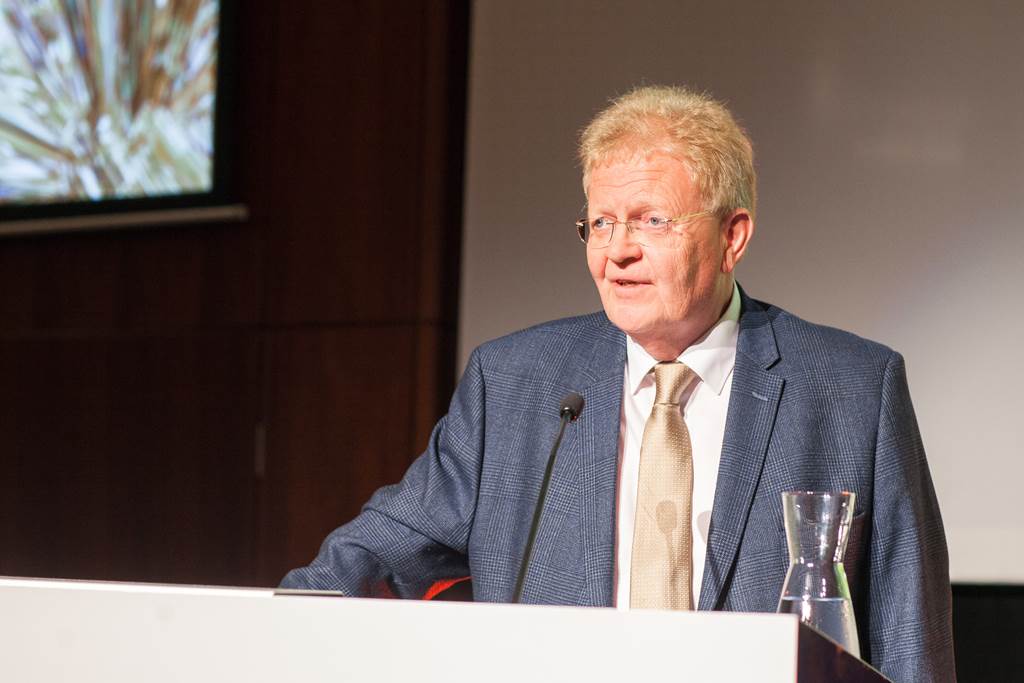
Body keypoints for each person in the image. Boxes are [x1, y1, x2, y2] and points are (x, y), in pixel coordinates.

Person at [282, 85, 954, 681]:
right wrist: (270, 632)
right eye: (601, 223)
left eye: (651, 220)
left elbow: (910, 642)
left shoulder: (851, 390)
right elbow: (377, 555)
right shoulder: (513, 384)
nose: (617, 251)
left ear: (732, 236)